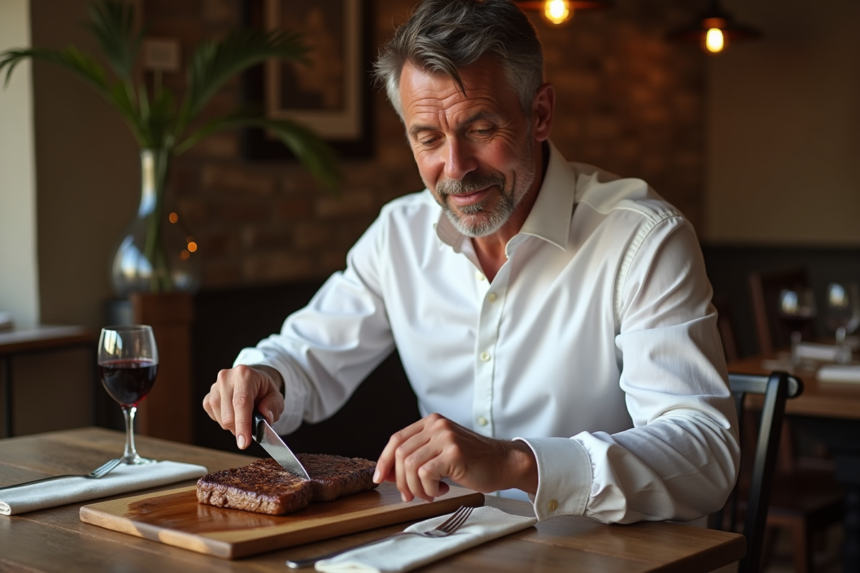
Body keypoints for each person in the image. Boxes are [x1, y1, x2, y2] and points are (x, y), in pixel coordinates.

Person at [203, 0, 739, 524]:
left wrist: (515, 463)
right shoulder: (399, 234)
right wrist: (265, 374)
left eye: (481, 129)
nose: (455, 167)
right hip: (444, 548)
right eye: (429, 138)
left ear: (541, 114)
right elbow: (308, 355)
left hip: (605, 557)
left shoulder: (643, 239)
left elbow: (705, 457)